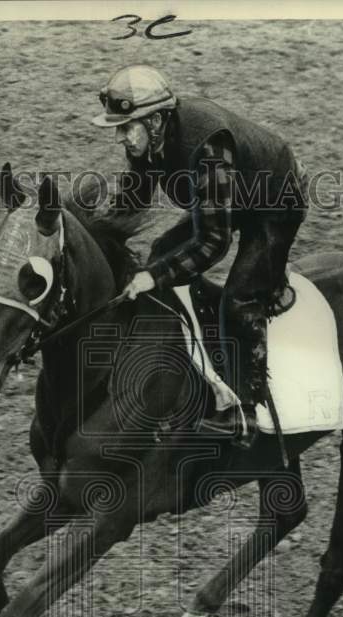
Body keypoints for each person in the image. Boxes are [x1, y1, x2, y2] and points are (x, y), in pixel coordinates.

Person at [92, 64, 307, 448]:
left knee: (240, 300)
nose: (120, 138)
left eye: (126, 127)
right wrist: (94, 234)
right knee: (160, 254)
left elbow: (212, 244)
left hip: (275, 202)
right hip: (234, 195)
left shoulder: (206, 146)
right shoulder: (149, 141)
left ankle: (250, 410)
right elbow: (133, 199)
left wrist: (153, 277)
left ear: (155, 121)